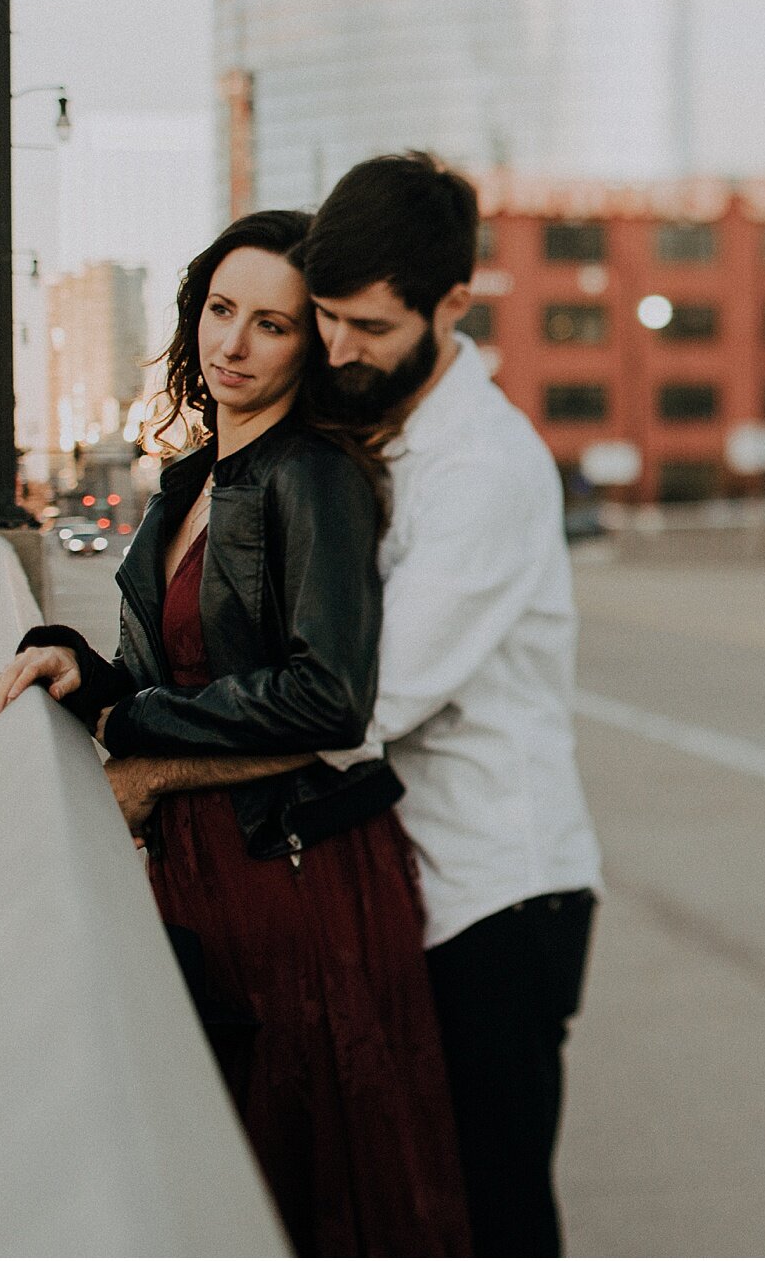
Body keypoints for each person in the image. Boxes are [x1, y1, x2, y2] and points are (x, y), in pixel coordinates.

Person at [0, 209, 471, 1258]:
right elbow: (190, 665)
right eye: (219, 310)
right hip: (209, 864)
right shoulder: (190, 483)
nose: (233, 344)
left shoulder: (314, 477)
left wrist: (130, 724)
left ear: (315, 346)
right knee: (229, 1148)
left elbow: (328, 696)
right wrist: (85, 666)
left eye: (272, 324)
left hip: (298, 874)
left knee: (312, 1172)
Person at [301, 152, 605, 1258]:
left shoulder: (481, 465)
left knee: (492, 1216)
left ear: (453, 306)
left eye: (370, 327)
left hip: (499, 898)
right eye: (325, 318)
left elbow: (359, 705)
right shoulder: (386, 428)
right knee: (420, 1205)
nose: (339, 349)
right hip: (425, 885)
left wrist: (149, 741)